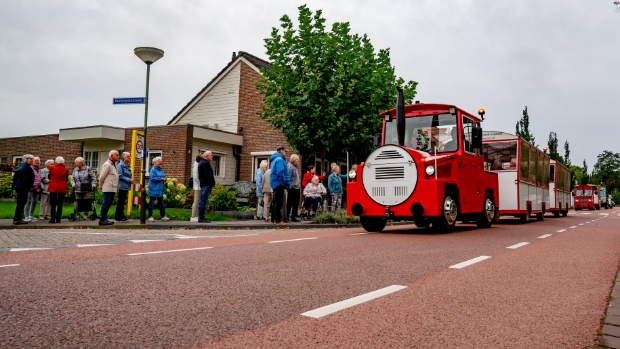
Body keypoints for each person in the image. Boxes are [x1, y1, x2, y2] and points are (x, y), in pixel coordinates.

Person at [11, 154, 35, 225]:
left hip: (22, 187)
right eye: (30, 159)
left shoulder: (27, 166)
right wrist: (26, 180)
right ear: (26, 159)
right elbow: (19, 171)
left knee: (21, 203)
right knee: (21, 203)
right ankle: (17, 219)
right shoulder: (24, 166)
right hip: (22, 187)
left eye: (32, 159)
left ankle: (18, 218)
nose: (32, 160)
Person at [98, 150, 119, 226]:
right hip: (108, 187)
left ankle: (104, 218)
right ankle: (102, 219)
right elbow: (102, 177)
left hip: (112, 187)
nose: (118, 156)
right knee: (106, 203)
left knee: (109, 203)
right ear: (111, 156)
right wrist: (100, 186)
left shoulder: (113, 164)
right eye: (116, 155)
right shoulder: (107, 165)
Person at [270, 146, 290, 224]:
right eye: (285, 151)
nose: (286, 153)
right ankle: (278, 220)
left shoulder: (274, 159)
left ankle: (273, 219)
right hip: (279, 183)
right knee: (279, 203)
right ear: (281, 151)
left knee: (275, 202)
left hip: (275, 183)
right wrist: (283, 182)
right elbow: (280, 172)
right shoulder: (280, 160)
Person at [147, 156, 170, 222]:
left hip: (160, 189)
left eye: (161, 162)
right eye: (159, 162)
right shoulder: (153, 169)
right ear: (155, 162)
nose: (160, 163)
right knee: (151, 204)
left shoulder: (161, 170)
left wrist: (165, 179)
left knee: (161, 204)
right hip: (153, 189)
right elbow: (152, 178)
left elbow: (164, 177)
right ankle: (150, 216)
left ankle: (163, 216)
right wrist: (161, 179)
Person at [47, 156, 69, 223]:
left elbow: (49, 176)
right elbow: (67, 178)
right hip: (62, 186)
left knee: (53, 203)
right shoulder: (66, 169)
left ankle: (52, 218)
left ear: (56, 161)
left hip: (53, 186)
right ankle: (58, 219)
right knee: (60, 203)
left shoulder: (52, 168)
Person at [115, 152, 133, 223]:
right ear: (123, 158)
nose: (129, 158)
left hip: (126, 186)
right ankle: (119, 216)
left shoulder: (128, 165)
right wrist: (129, 179)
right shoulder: (120, 165)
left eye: (129, 156)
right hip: (121, 186)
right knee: (121, 201)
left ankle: (120, 216)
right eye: (128, 156)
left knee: (122, 202)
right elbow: (119, 175)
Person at [198, 151, 215, 223]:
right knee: (204, 201)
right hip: (206, 184)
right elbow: (207, 174)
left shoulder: (201, 163)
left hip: (203, 184)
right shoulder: (205, 163)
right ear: (207, 156)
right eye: (211, 155)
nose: (212, 156)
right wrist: (212, 182)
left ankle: (201, 216)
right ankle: (201, 217)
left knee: (203, 200)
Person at [24, 157, 42, 222]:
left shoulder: (39, 169)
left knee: (34, 202)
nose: (36, 162)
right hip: (30, 188)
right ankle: (26, 216)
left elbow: (39, 177)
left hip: (37, 188)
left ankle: (31, 215)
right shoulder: (30, 168)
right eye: (35, 161)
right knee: (28, 201)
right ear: (32, 161)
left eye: (38, 161)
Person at [286, 154, 301, 222]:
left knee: (296, 203)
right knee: (290, 202)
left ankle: (293, 216)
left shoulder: (295, 167)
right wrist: (289, 186)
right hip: (292, 187)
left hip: (296, 187)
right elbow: (288, 177)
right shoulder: (290, 166)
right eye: (298, 160)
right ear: (295, 160)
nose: (299, 161)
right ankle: (287, 216)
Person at [190, 154, 202, 222]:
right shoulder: (196, 166)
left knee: (197, 201)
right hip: (198, 186)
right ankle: (193, 216)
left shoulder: (197, 165)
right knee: (196, 201)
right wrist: (201, 184)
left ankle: (195, 215)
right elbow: (195, 177)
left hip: (198, 185)